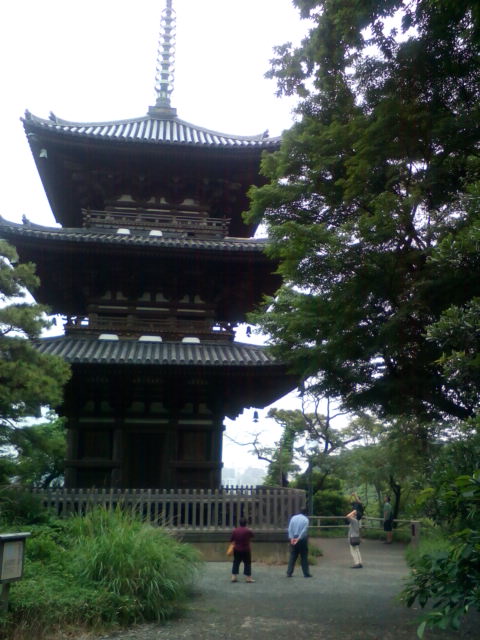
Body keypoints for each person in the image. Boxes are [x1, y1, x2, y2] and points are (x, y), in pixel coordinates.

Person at [286, 507, 312, 578]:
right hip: (302, 539)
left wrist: (291, 538)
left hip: (294, 536)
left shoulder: (293, 518)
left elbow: (290, 528)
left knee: (293, 555)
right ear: (306, 513)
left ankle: (289, 572)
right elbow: (304, 531)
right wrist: (299, 538)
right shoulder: (306, 520)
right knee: (304, 556)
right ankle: (306, 573)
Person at [230, 517, 255, 583]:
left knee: (236, 562)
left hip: (237, 549)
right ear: (246, 523)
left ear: (239, 523)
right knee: (247, 563)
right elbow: (252, 535)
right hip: (246, 549)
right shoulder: (248, 531)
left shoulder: (235, 531)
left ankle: (233, 577)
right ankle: (248, 578)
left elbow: (231, 539)